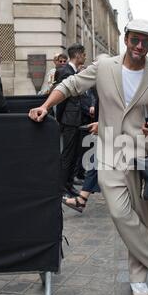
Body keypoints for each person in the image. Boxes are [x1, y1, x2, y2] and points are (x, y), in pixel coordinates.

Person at [29, 19, 148, 295]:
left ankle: (137, 277)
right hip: (108, 153)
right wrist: (45, 106)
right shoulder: (105, 66)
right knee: (120, 213)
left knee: (143, 218)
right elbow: (70, 84)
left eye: (146, 41)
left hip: (143, 155)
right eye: (135, 39)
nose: (139, 46)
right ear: (126, 39)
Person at [56, 43, 86, 198]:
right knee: (67, 155)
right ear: (78, 55)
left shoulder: (74, 71)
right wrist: (60, 120)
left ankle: (68, 185)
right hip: (69, 120)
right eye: (84, 54)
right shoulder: (66, 72)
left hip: (75, 119)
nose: (85, 57)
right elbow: (61, 99)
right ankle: (61, 189)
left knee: (74, 154)